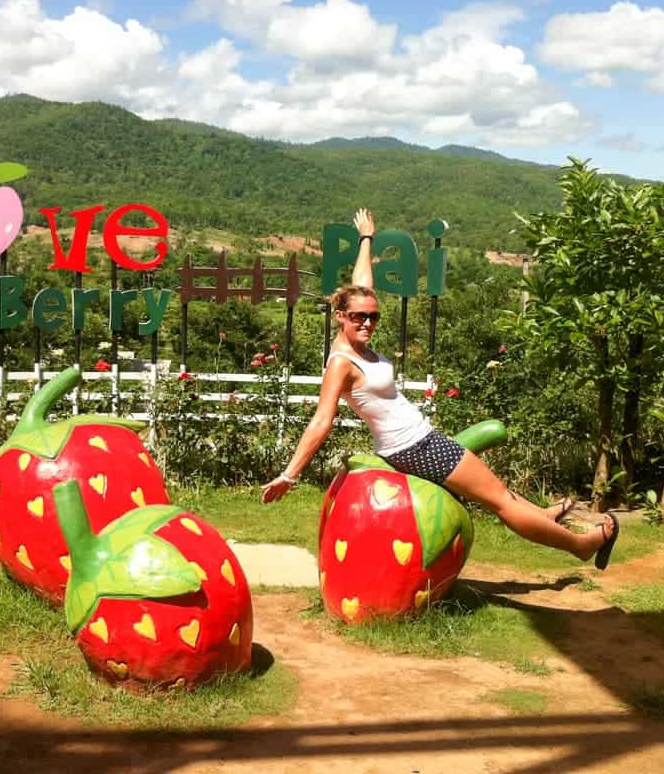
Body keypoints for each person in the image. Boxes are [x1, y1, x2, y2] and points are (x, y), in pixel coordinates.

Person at [261, 208, 619, 569]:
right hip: (415, 447)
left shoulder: (358, 336)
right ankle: (580, 545)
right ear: (340, 316)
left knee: (497, 492)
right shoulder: (341, 363)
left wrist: (366, 239)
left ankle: (544, 516)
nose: (368, 322)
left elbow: (362, 283)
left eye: (373, 316)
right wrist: (289, 475)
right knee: (500, 502)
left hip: (416, 442)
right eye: (359, 317)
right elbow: (321, 421)